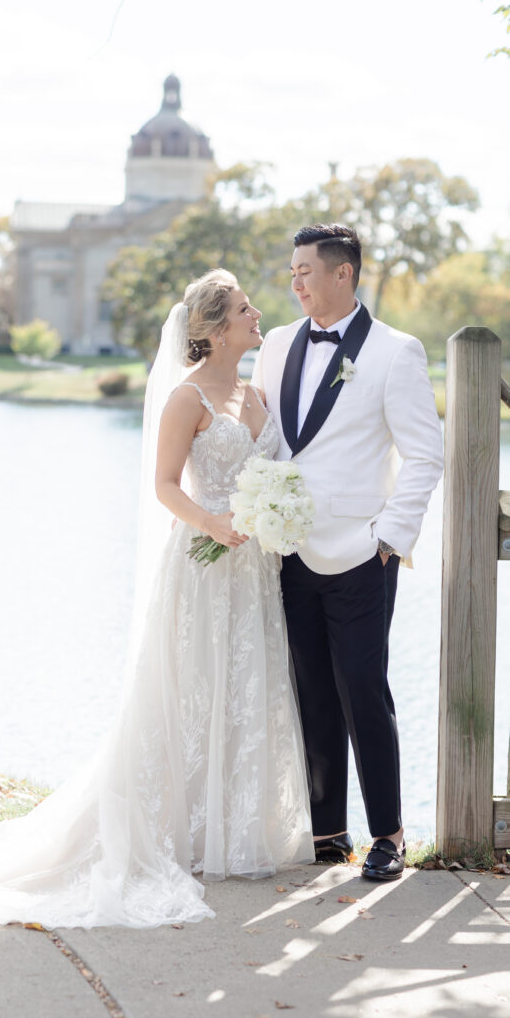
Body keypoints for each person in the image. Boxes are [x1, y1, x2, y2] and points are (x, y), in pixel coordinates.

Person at [0, 270, 313, 929]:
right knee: (190, 691)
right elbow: (164, 486)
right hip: (205, 565)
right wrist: (213, 523)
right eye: (243, 308)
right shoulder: (187, 399)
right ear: (212, 329)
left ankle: (232, 833)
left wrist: (269, 516)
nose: (255, 313)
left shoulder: (253, 390)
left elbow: (269, 473)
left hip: (252, 572)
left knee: (243, 690)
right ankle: (176, 829)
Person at [252, 224, 444, 881]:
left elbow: (424, 453)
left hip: (363, 552)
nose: (295, 281)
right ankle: (328, 831)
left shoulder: (394, 352)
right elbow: (271, 439)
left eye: (305, 270)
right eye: (292, 270)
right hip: (288, 548)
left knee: (363, 686)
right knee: (309, 688)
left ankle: (387, 832)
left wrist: (389, 537)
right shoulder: (276, 344)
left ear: (343, 274)